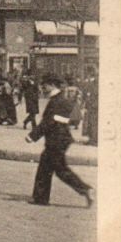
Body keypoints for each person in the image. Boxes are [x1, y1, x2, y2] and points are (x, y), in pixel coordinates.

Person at [26, 75, 92, 207]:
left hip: (57, 140)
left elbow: (48, 122)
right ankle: (41, 198)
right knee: (54, 168)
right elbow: (62, 119)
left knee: (55, 169)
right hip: (60, 139)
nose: (42, 88)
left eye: (44, 85)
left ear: (52, 85)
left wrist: (32, 136)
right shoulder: (60, 99)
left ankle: (84, 189)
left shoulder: (56, 101)